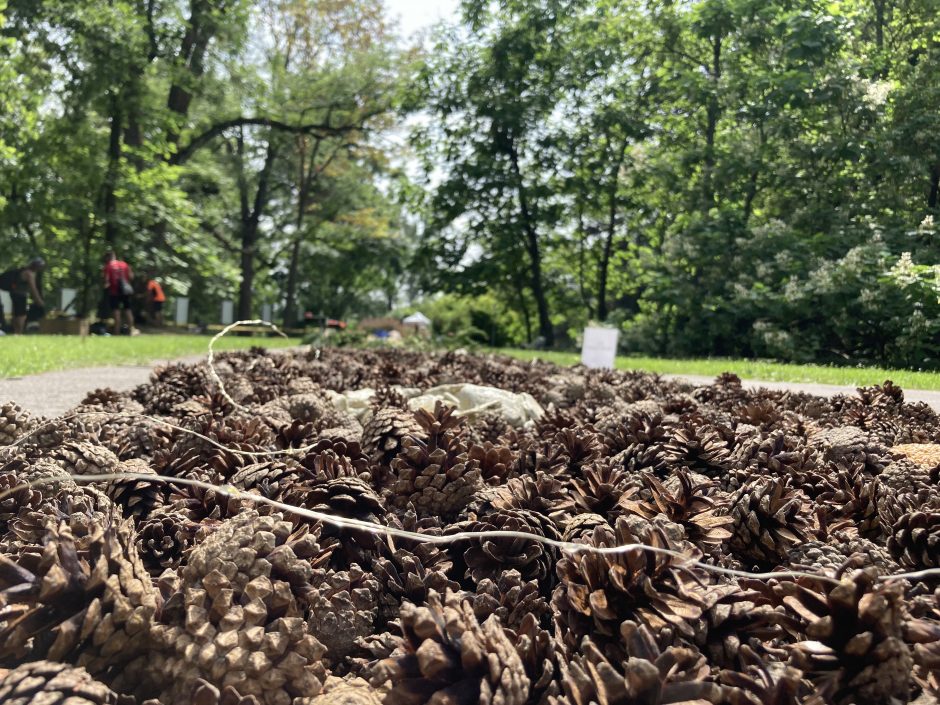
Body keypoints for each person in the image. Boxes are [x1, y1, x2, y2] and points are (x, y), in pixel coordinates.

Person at [0, 258, 46, 334]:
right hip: (20, 295)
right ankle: (19, 332)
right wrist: (39, 301)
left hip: (14, 293)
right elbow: (33, 289)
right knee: (21, 314)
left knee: (16, 313)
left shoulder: (23, 271)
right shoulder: (29, 274)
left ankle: (15, 331)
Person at [102, 250, 135, 335]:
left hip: (114, 292)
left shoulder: (108, 266)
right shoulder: (124, 264)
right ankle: (130, 331)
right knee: (128, 310)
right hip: (125, 291)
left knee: (116, 312)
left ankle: (117, 332)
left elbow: (106, 280)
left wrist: (106, 285)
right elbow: (131, 277)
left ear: (107, 258)